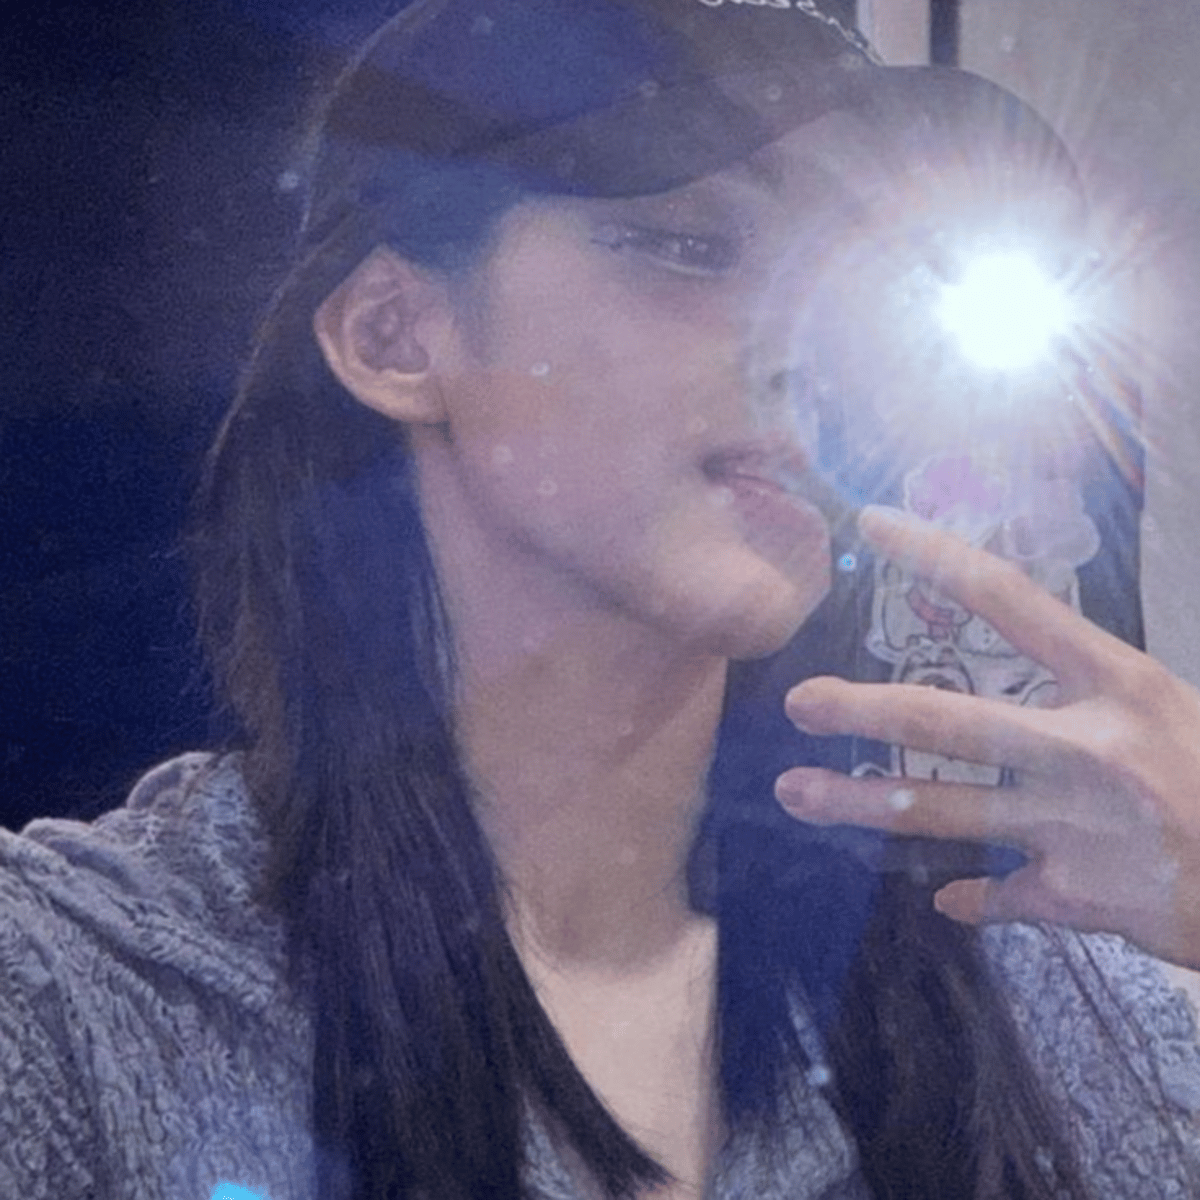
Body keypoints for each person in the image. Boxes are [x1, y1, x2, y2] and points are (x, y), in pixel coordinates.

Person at [5, 1, 1200, 1197]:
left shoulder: (1030, 976)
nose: (819, 353)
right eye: (690, 246)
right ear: (393, 334)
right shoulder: (76, 1000)